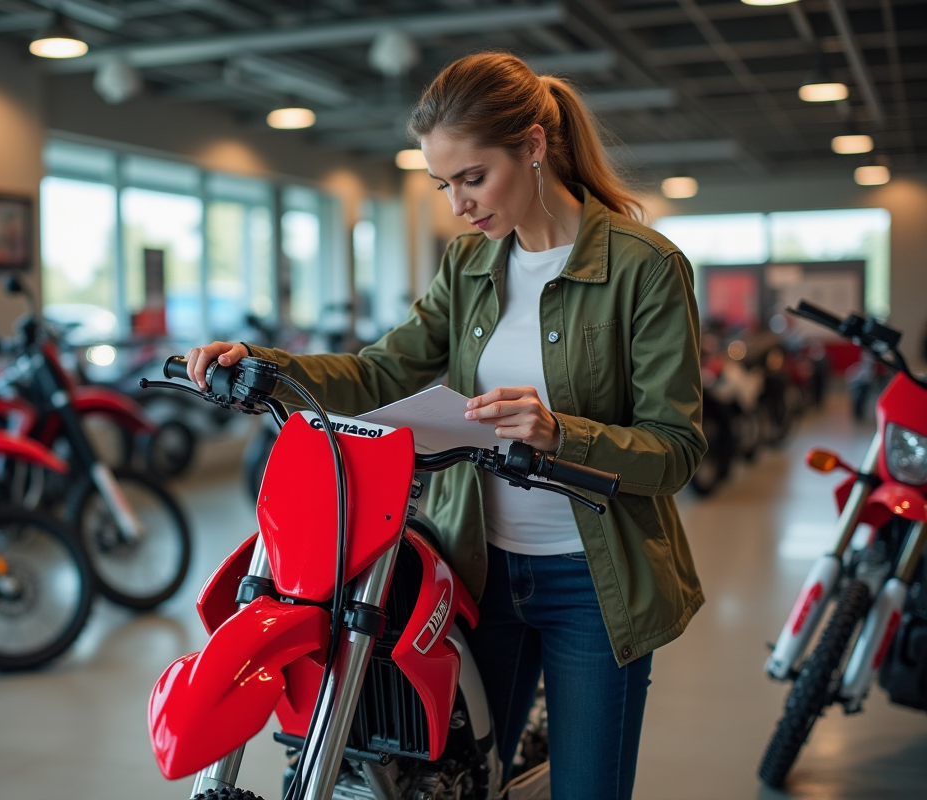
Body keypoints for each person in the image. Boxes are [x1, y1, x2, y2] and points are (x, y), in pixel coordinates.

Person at [185, 51, 706, 800]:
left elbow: (676, 450)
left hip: (596, 583)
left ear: (533, 146)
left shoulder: (644, 267)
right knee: (459, 782)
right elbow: (382, 370)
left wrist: (559, 433)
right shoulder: (467, 265)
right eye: (443, 184)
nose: (458, 205)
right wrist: (264, 365)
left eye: (473, 178)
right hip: (477, 571)